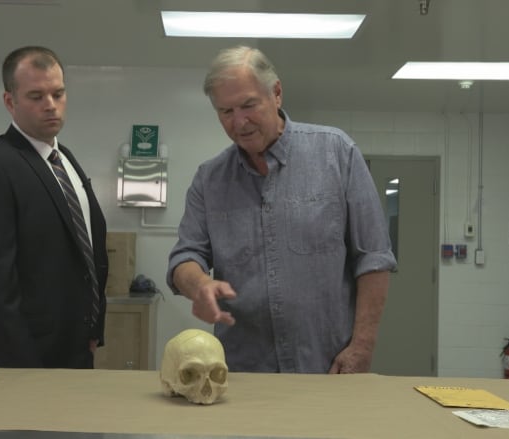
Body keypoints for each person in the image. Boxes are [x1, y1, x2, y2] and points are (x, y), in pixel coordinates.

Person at [167, 46, 396, 374]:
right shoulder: (210, 179)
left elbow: (374, 259)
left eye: (248, 105)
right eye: (226, 111)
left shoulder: (337, 154)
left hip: (329, 368)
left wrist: (362, 346)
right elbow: (184, 257)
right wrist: (199, 285)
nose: (239, 122)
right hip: (243, 373)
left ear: (276, 93)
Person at [0, 46, 108, 368]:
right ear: (10, 102)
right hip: (19, 359)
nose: (50, 106)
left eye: (58, 93)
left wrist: (95, 328)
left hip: (74, 349)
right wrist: (23, 366)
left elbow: (86, 255)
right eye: (36, 96)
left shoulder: (65, 160)